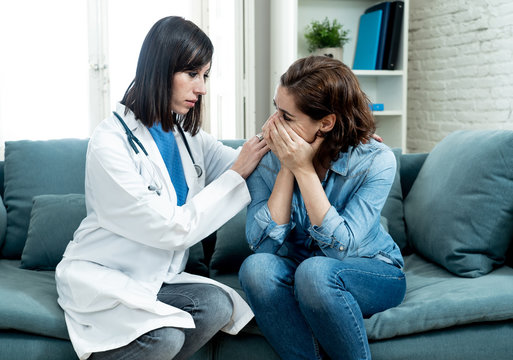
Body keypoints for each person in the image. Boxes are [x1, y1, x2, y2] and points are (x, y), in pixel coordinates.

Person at [55, 16, 268, 360]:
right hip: (104, 275)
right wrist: (236, 174)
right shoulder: (110, 142)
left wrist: (341, 141)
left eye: (205, 76)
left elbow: (255, 161)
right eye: (191, 74)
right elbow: (172, 228)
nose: (202, 88)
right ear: (159, 68)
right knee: (163, 339)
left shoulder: (186, 134)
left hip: (154, 280)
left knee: (216, 304)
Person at [238, 56, 406, 360]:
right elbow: (262, 246)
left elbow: (341, 250)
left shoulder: (376, 160)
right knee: (256, 269)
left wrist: (304, 170)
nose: (272, 124)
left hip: (370, 268)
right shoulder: (266, 154)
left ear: (326, 123)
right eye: (275, 109)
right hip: (299, 266)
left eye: (286, 117)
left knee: (314, 272)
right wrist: (287, 168)